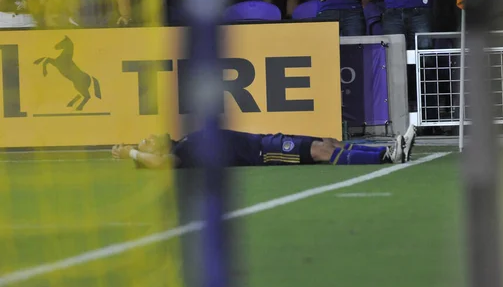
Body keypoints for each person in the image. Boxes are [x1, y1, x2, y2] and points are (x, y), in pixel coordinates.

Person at [111, 125, 417, 169]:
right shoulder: (179, 155)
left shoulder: (185, 140)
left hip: (261, 139)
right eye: (146, 142)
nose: (151, 137)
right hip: (261, 153)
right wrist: (132, 153)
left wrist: (131, 149)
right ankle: (388, 157)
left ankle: (389, 149)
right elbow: (163, 165)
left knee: (327, 142)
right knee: (320, 152)